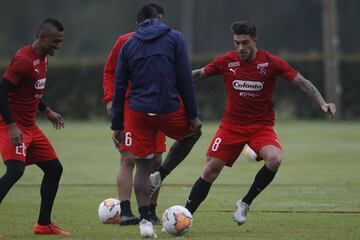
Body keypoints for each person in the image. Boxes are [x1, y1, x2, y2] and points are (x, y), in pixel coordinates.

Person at [184, 21, 336, 225]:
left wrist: (323, 103)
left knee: (274, 159)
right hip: (231, 126)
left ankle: (245, 203)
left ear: (255, 41)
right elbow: (200, 74)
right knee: (211, 169)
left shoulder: (272, 63)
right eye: (237, 43)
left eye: (245, 42)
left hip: (260, 127)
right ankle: (184, 215)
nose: (240, 48)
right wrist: (173, 81)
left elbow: (303, 83)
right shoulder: (226, 61)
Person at [111, 4, 202, 238]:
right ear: (160, 19)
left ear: (138, 24)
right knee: (193, 134)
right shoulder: (175, 38)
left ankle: (144, 222)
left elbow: (119, 86)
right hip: (168, 108)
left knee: (142, 163)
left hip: (139, 112)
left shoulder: (128, 44)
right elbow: (184, 78)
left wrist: (117, 124)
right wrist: (193, 115)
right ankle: (161, 173)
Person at [0, 18, 70, 236]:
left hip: (30, 126)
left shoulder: (43, 58)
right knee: (14, 171)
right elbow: (1, 92)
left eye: (61, 41)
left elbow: (29, 91)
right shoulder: (23, 61)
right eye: (55, 41)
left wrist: (46, 110)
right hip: (11, 125)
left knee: (54, 169)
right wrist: (11, 126)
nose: (58, 45)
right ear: (42, 38)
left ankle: (43, 224)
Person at [103, 3, 166, 226]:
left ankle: (151, 211)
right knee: (129, 157)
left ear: (163, 20)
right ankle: (126, 211)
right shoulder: (125, 41)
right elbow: (110, 70)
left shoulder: (168, 41)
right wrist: (111, 99)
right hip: (131, 109)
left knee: (156, 161)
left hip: (158, 109)